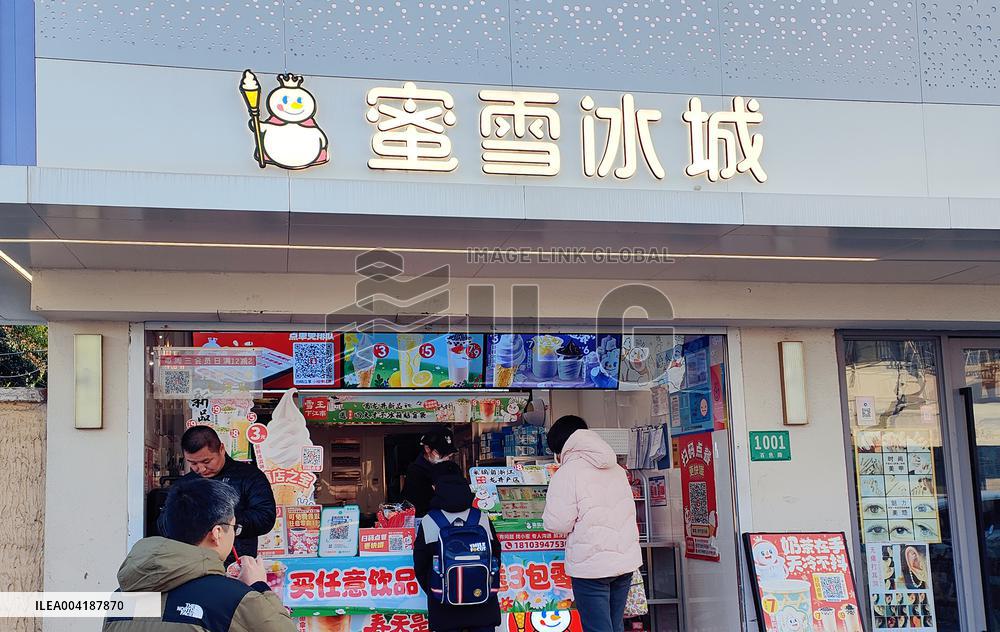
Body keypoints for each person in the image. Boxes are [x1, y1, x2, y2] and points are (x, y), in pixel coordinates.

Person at [104, 477, 295, 631]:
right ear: (217, 533)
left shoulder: (120, 596)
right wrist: (259, 587)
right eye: (234, 527)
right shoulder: (235, 599)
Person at [541, 415, 641, 632]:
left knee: (598, 628)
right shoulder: (615, 467)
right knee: (614, 626)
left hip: (591, 566)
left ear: (561, 447)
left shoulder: (568, 473)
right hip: (624, 562)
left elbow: (557, 523)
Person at [413, 461, 502, 632]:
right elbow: (496, 557)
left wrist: (438, 590)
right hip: (483, 605)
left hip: (445, 609)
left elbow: (421, 566)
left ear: (434, 488)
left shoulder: (429, 521)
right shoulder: (481, 518)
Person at [180, 425, 276, 560]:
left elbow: (266, 516)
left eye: (206, 461)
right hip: (193, 563)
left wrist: (228, 522)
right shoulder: (184, 484)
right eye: (193, 463)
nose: (200, 469)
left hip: (237, 564)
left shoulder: (249, 476)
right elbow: (165, 522)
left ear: (221, 449)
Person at [402, 426, 458, 517]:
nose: (446, 457)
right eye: (441, 453)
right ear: (427, 448)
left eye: (449, 454)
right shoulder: (416, 471)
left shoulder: (451, 468)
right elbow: (418, 504)